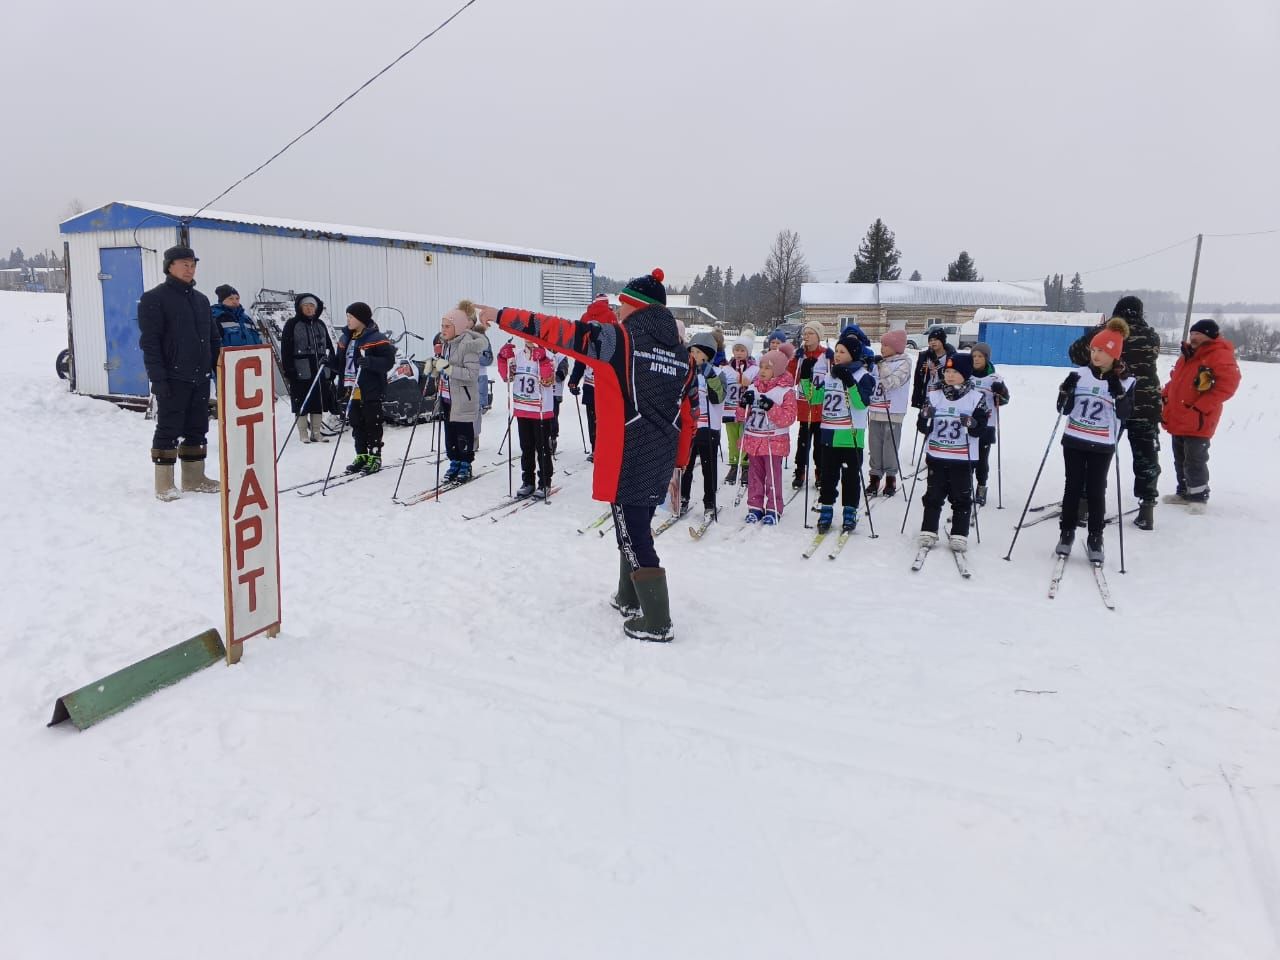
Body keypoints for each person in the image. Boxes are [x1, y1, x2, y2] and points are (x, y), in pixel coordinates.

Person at [479, 271, 694, 643]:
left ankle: (657, 621)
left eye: (623, 303)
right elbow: (684, 407)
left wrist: (500, 315)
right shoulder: (679, 353)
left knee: (633, 533)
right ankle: (629, 597)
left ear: (635, 305)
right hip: (659, 452)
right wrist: (680, 457)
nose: (618, 308)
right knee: (633, 526)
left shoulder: (618, 338)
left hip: (629, 450)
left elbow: (556, 331)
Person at [137, 244, 221, 501]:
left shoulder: (201, 300)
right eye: (184, 263)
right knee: (169, 428)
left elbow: (213, 339)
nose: (189, 268)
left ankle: (194, 478)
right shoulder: (154, 299)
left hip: (200, 377)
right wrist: (158, 378)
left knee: (198, 426)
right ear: (169, 266)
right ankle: (164, 484)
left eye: (193, 264)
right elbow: (150, 343)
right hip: (173, 377)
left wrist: (218, 368)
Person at [1070, 296, 1161, 529]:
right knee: (1145, 456)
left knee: (1096, 451)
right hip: (1146, 404)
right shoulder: (1151, 336)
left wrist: (1100, 332)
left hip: (1111, 402)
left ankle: (1084, 505)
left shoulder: (1109, 334)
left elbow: (1076, 353)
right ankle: (1147, 506)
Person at [1055, 318, 1135, 562]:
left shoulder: (1126, 381)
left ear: (1114, 354)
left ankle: (1095, 536)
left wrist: (1119, 394)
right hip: (1075, 439)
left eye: (1102, 351)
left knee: (1096, 490)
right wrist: (1065, 391)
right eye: (1093, 350)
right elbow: (1063, 409)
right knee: (1072, 486)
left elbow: (1125, 415)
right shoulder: (1079, 375)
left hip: (1102, 444)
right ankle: (1066, 532)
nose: (1096, 355)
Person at [1160, 319, 1241, 511]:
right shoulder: (1187, 355)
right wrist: (1165, 395)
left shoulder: (1219, 355)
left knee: (1195, 458)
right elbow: (1176, 380)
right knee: (1179, 456)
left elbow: (1228, 385)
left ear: (1210, 336)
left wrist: (1200, 407)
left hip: (1199, 419)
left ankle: (1198, 496)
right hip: (1178, 414)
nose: (1194, 337)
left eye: (1199, 334)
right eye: (1192, 334)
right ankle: (1184, 492)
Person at [916, 352, 989, 552]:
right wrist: (925, 416)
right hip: (937, 454)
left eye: (954, 372)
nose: (949, 375)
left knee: (962, 497)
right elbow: (922, 426)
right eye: (947, 371)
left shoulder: (976, 398)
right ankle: (929, 529)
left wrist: (972, 423)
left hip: (962, 458)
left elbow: (981, 428)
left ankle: (959, 533)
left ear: (965, 374)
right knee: (933, 494)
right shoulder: (935, 395)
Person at [817, 329, 875, 533]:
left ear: (853, 354)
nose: (837, 355)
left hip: (851, 436)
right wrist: (807, 377)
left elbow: (861, 404)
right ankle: (826, 508)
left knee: (850, 478)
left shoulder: (864, 376)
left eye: (842, 351)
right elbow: (814, 399)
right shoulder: (830, 374)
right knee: (828, 477)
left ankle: (850, 510)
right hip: (828, 435)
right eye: (836, 351)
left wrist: (849, 381)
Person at [333, 302, 395, 473]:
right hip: (350, 388)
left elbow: (388, 362)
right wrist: (329, 362)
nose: (348, 320)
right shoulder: (345, 338)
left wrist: (370, 362)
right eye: (347, 316)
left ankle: (375, 455)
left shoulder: (376, 338)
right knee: (357, 423)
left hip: (370, 388)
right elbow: (341, 362)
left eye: (351, 317)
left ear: (360, 318)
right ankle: (361, 454)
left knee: (372, 423)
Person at [739, 348, 798, 524]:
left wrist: (771, 407)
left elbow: (788, 418)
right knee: (755, 476)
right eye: (761, 367)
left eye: (767, 368)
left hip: (774, 442)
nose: (762, 371)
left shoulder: (785, 391)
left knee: (773, 477)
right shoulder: (753, 387)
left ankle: (774, 508)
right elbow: (741, 416)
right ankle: (755, 507)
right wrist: (743, 404)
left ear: (778, 370)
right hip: (754, 439)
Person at [496, 337, 555, 498]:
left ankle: (544, 482)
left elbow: (548, 381)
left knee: (542, 447)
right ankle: (528, 481)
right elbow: (507, 377)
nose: (528, 339)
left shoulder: (548, 355)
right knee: (526, 447)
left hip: (540, 409)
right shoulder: (517, 355)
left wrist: (542, 361)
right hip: (522, 407)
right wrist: (502, 359)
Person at [434, 301, 486, 482]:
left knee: (463, 433)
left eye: (447, 326)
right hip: (447, 396)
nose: (443, 329)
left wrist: (448, 368)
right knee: (450, 432)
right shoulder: (445, 343)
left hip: (463, 397)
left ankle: (466, 463)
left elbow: (472, 374)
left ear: (457, 326)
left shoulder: (468, 345)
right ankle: (454, 461)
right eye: (442, 326)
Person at [679, 332, 725, 526]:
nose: (693, 355)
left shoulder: (717, 372)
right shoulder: (686, 372)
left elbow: (718, 398)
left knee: (708, 468)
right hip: (690, 427)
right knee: (685, 466)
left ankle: (709, 502)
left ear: (707, 354)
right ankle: (682, 498)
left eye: (697, 352)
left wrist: (711, 377)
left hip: (709, 428)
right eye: (691, 351)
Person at [280, 293, 335, 443]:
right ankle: (303, 433)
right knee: (302, 401)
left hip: (319, 368)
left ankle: (316, 432)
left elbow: (329, 347)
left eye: (312, 306)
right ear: (300, 307)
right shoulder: (292, 324)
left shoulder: (320, 324)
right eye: (306, 306)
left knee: (318, 401)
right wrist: (289, 369)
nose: (310, 309)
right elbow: (285, 349)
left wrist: (332, 367)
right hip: (300, 370)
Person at [865, 328, 911, 498]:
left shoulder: (904, 362)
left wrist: (881, 365)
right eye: (882, 344)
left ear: (896, 347)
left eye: (886, 345)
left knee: (890, 447)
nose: (882, 348)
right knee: (875, 446)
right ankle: (874, 477)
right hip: (876, 409)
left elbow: (892, 382)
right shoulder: (879, 362)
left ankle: (891, 477)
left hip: (893, 411)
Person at [968, 342, 1010, 507]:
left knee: (981, 460)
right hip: (969, 423)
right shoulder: (967, 375)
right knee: (968, 459)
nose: (976, 359)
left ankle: (981, 486)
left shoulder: (995, 378)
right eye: (974, 356)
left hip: (987, 423)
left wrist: (1001, 392)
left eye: (980, 356)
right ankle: (965, 486)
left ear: (986, 358)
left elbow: (1004, 401)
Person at [793, 321, 833, 489]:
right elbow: (792, 378)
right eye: (805, 333)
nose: (806, 336)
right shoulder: (800, 354)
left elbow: (832, 379)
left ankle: (820, 471)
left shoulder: (825, 355)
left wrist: (833, 360)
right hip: (804, 405)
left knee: (820, 444)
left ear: (819, 336)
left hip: (821, 406)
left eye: (810, 333)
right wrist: (796, 360)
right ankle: (800, 470)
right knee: (803, 442)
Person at [719, 330, 757, 486]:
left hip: (746, 411)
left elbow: (757, 386)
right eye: (736, 350)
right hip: (729, 409)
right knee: (732, 439)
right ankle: (734, 465)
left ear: (748, 352)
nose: (739, 353)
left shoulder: (753, 369)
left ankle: (746, 466)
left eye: (742, 350)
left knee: (745, 438)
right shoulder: (726, 369)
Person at [911, 326, 956, 411]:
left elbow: (951, 378)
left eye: (935, 339)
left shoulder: (951, 357)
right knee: (923, 423)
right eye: (930, 340)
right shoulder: (924, 356)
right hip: (927, 396)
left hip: (944, 397)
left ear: (942, 341)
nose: (933, 342)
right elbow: (917, 379)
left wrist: (937, 364)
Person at [568, 354, 598, 460]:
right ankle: (595, 450)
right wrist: (573, 382)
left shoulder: (610, 342)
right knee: (593, 421)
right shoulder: (586, 346)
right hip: (590, 387)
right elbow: (579, 365)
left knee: (606, 421)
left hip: (607, 389)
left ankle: (608, 448)